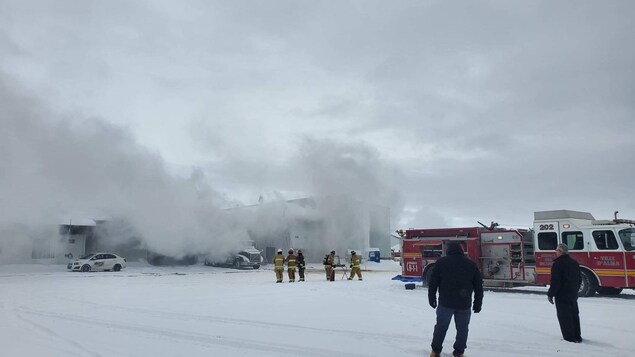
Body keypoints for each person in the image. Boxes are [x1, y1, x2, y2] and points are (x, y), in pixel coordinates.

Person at [428, 242, 483, 357]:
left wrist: (431, 297)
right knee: (462, 330)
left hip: (445, 303)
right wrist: (478, 303)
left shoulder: (441, 263)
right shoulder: (471, 264)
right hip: (464, 304)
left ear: (448, 250)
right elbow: (478, 286)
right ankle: (459, 352)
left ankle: (435, 351)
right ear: (461, 251)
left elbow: (433, 283)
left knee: (441, 328)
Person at [547, 243, 582, 343]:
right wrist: (575, 290)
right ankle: (577, 336)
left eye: (557, 250)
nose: (556, 252)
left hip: (562, 295)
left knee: (564, 316)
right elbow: (579, 279)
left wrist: (550, 294)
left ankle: (569, 338)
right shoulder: (574, 263)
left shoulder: (557, 264)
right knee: (574, 315)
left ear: (561, 252)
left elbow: (555, 281)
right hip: (573, 294)